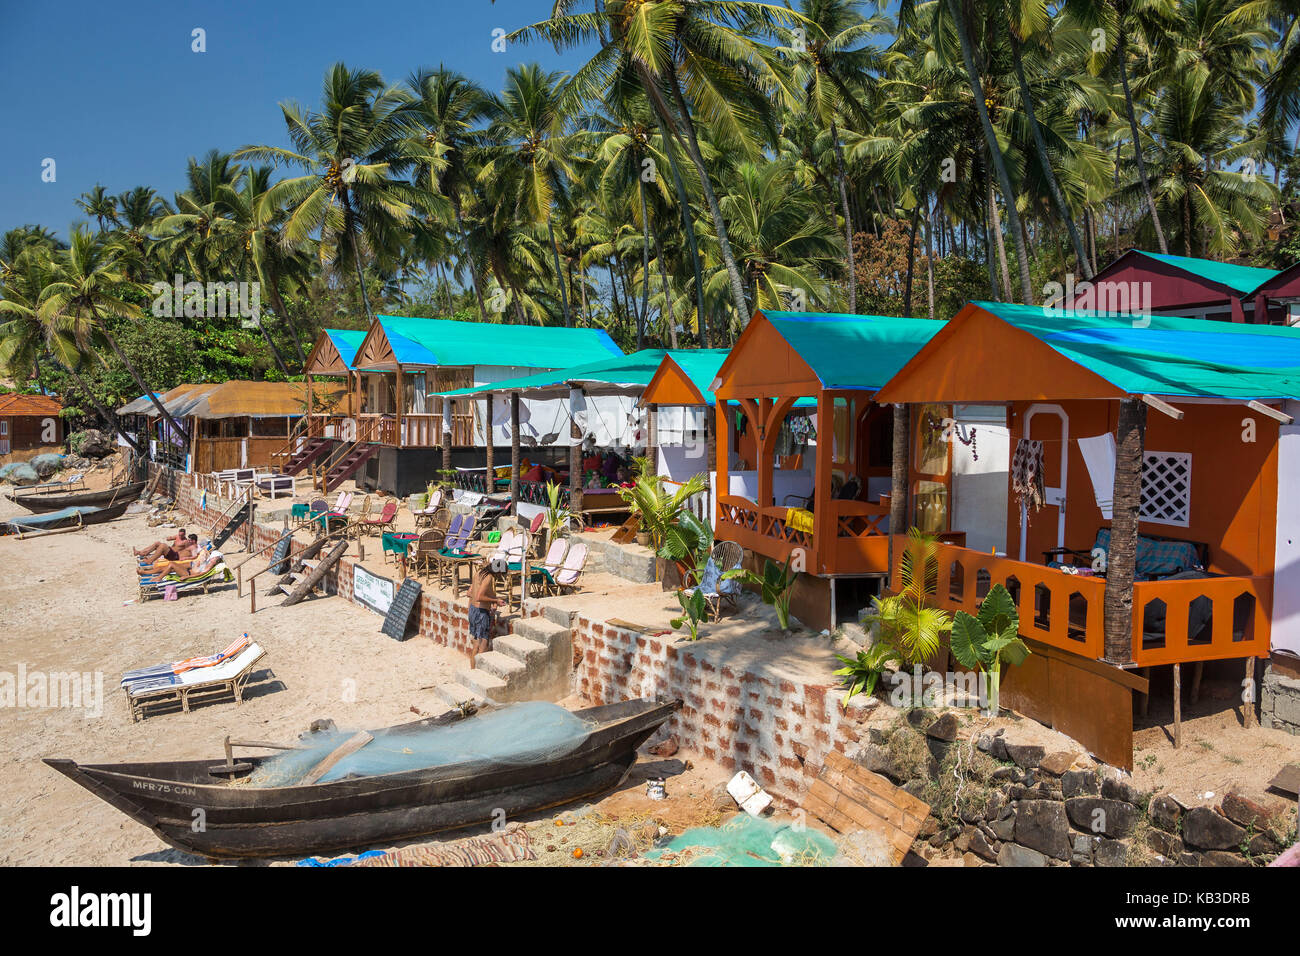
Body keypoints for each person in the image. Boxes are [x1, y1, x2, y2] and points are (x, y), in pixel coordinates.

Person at [467, 557, 507, 659]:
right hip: (481, 614)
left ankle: (473, 671)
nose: (500, 576)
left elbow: (470, 593)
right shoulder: (488, 577)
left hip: (472, 610)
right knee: (482, 648)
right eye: (501, 573)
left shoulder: (479, 573)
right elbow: (479, 597)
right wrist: (495, 601)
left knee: (475, 646)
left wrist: (493, 599)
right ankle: (478, 673)